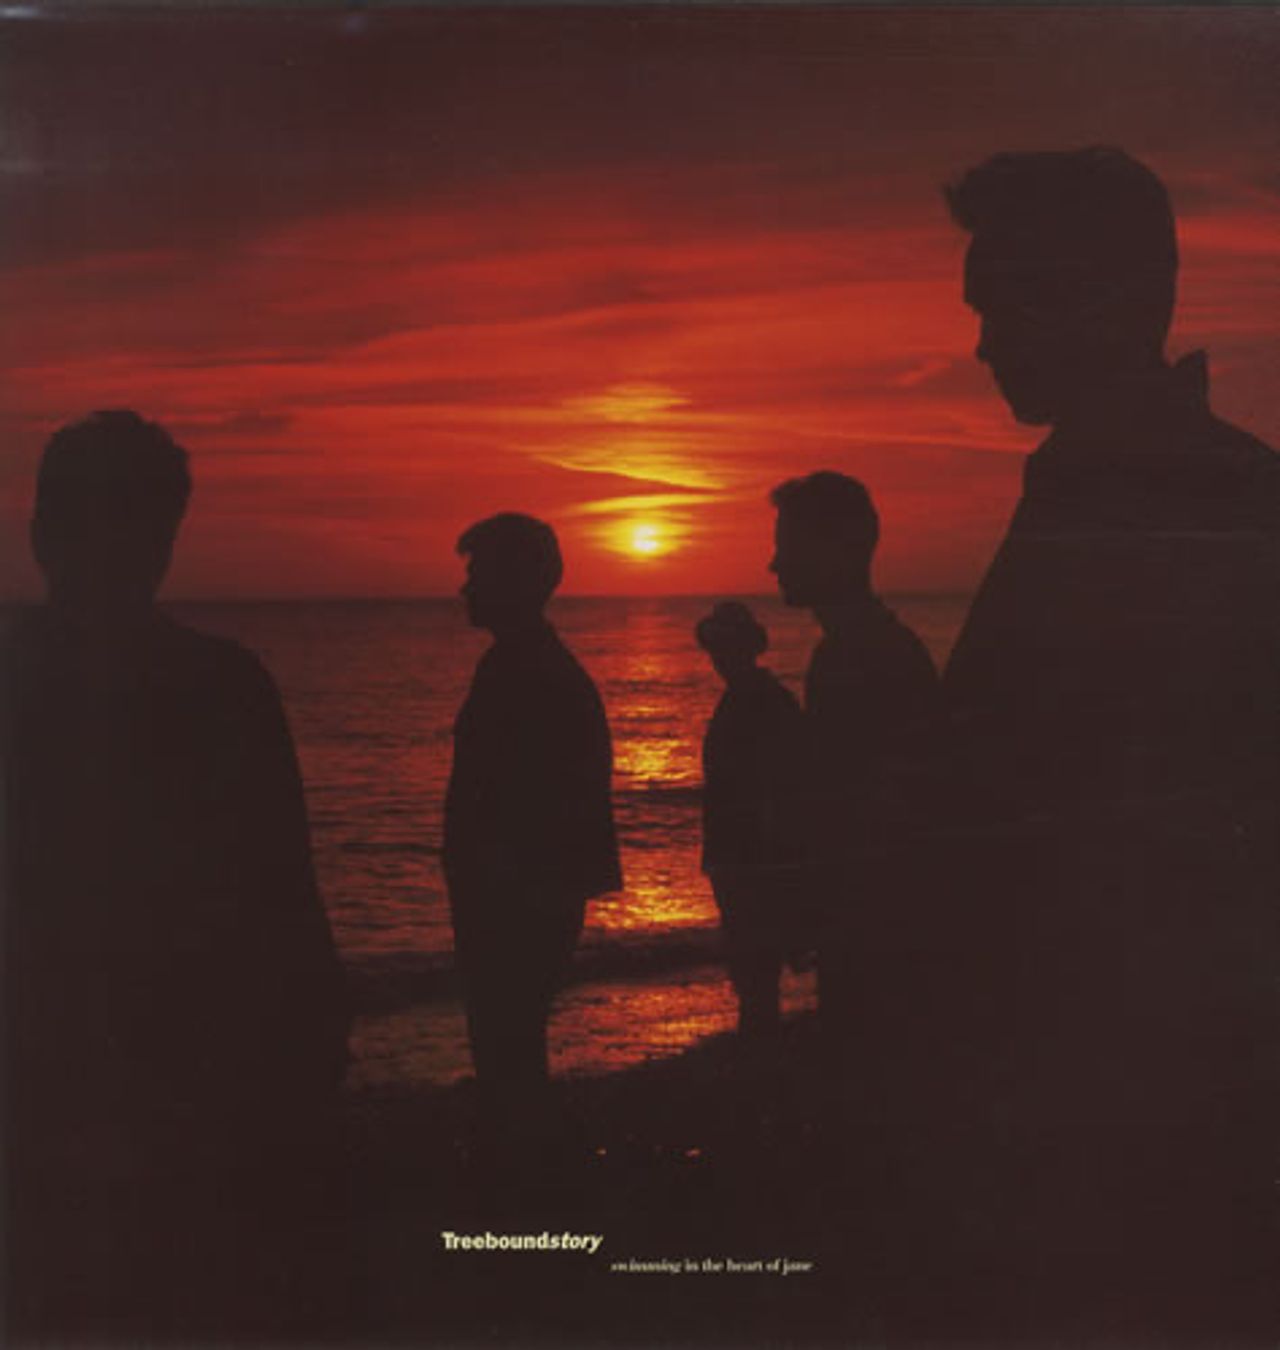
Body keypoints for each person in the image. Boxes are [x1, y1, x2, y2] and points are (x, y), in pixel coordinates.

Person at [931, 147, 1279, 1341]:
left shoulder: (1174, 503)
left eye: (1003, 303)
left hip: (1128, 1114)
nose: (982, 343)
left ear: (1106, 296)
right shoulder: (1154, 487)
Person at [1, 411, 352, 1341]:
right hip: (187, 1086)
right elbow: (285, 899)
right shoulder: (226, 686)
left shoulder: (216, 687)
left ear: (40, 534)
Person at [443, 513, 621, 1129]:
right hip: (516, 894)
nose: (466, 588)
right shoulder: (521, 665)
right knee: (510, 1047)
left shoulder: (532, 673)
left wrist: (507, 882)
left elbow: (549, 798)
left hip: (517, 899)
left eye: (478, 574)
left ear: (513, 581)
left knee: (508, 1047)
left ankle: (522, 1165)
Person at [696, 601, 806, 1038]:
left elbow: (782, 784)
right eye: (715, 649)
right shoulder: (750, 698)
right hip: (737, 850)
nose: (719, 658)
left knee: (755, 962)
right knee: (751, 963)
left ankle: (761, 1042)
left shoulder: (761, 701)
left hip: (752, 855)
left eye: (725, 647)